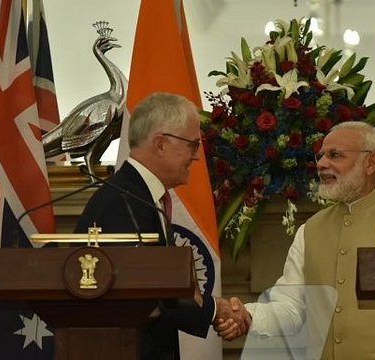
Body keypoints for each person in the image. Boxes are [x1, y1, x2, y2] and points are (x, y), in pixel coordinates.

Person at [214, 121, 375, 359]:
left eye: (335, 155)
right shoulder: (311, 229)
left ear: (370, 163)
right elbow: (290, 305)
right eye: (321, 156)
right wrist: (247, 315)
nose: (322, 164)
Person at [74, 92, 246, 360]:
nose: (197, 157)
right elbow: (144, 291)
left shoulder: (138, 195)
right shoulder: (123, 202)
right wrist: (214, 311)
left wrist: (212, 307)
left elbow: (156, 282)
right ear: (161, 144)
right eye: (192, 145)